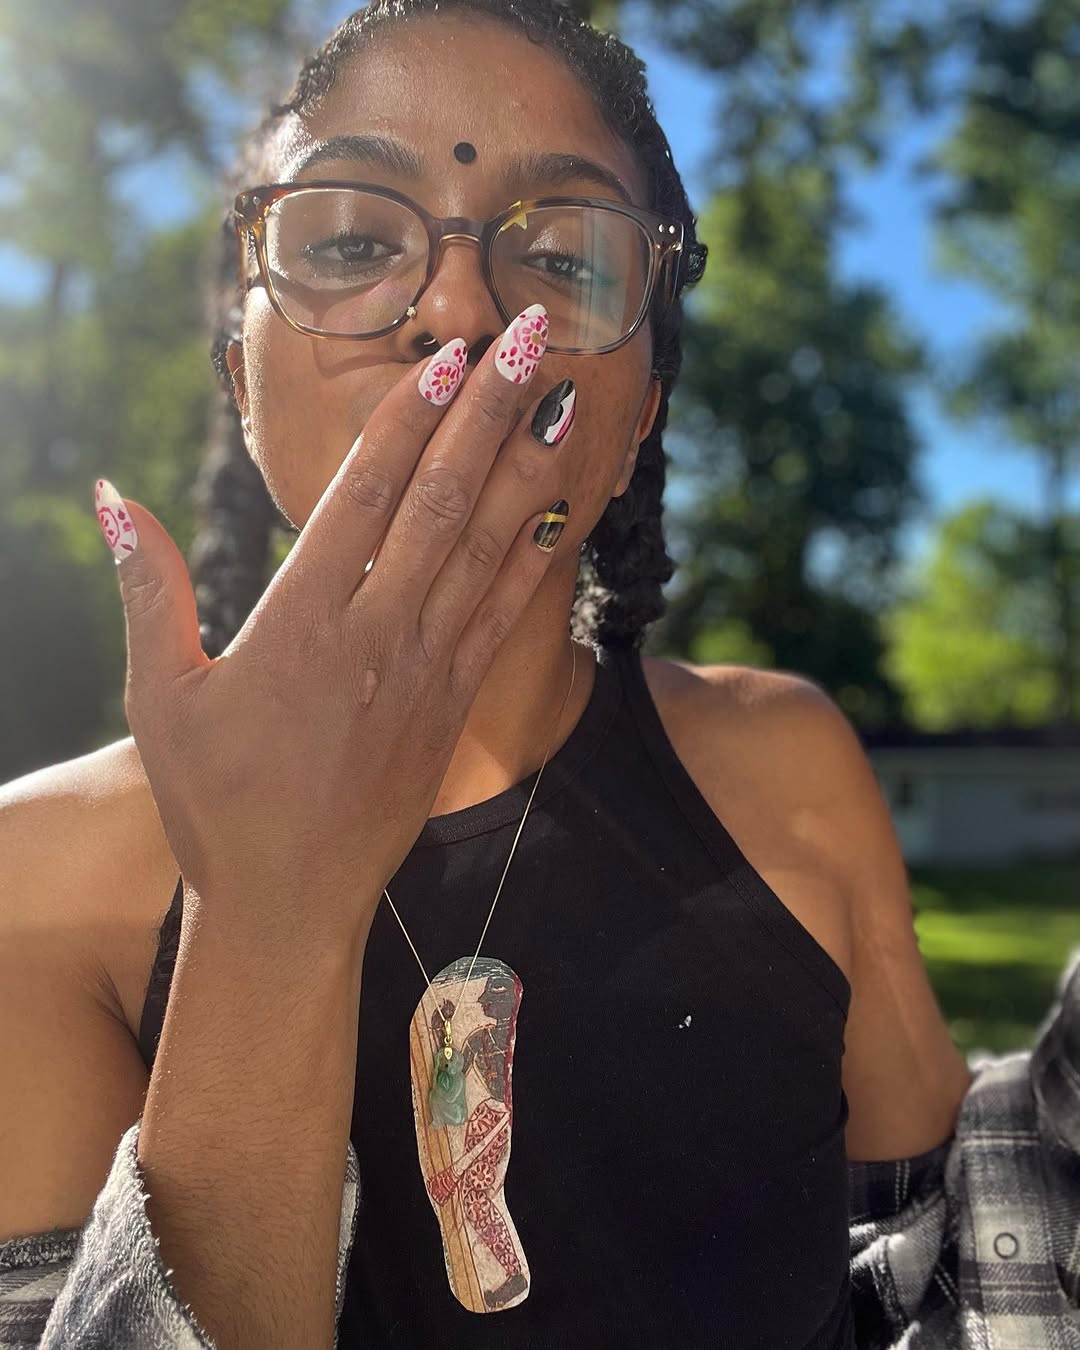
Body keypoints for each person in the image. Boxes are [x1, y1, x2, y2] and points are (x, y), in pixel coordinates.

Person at [2, 1, 1075, 1347]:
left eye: (563, 258)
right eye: (347, 239)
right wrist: (268, 919)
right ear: (240, 372)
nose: (457, 307)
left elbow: (931, 1261)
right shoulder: (30, 884)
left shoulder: (783, 767)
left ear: (640, 416)